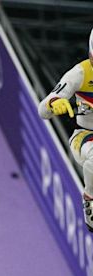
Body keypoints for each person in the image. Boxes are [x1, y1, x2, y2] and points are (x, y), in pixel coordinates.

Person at [38, 28, 93, 232]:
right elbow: (42, 109)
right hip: (85, 137)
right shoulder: (80, 73)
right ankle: (90, 200)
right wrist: (55, 103)